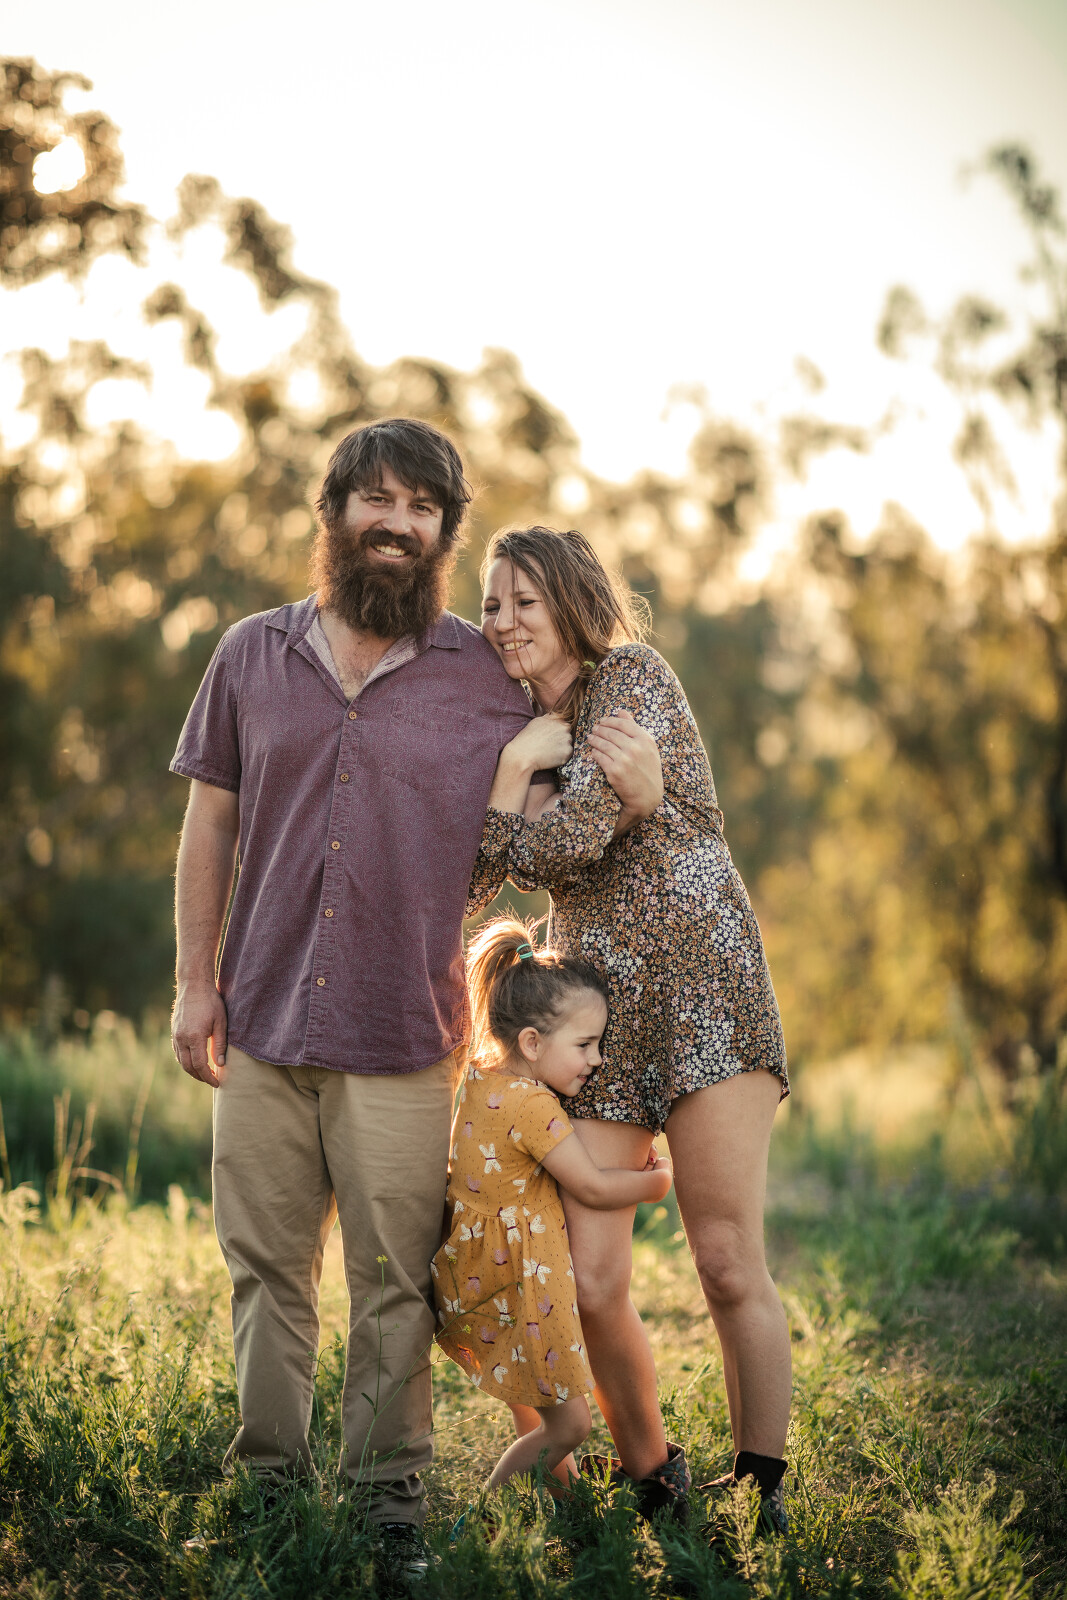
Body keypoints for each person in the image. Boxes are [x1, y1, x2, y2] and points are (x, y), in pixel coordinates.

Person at [168, 421, 661, 1558]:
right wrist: (196, 982)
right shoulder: (248, 655)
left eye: (423, 508)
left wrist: (616, 789)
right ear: (334, 512)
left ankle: (388, 1512)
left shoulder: (484, 677)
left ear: (444, 533)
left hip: (401, 1034)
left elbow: (550, 831)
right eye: (377, 499)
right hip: (261, 1020)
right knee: (266, 1276)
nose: (397, 523)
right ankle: (270, 1500)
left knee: (393, 1285)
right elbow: (210, 824)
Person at [468, 525, 792, 1534]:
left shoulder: (630, 678)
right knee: (589, 1277)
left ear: (570, 603)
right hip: (591, 1024)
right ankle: (654, 1475)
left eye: (522, 600)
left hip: (706, 995)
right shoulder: (517, 728)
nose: (501, 621)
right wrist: (514, 764)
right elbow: (475, 881)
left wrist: (528, 793)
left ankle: (763, 1489)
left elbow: (558, 844)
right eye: (489, 604)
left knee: (725, 1258)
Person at [432, 916, 672, 1511]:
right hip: (523, 1288)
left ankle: (559, 1510)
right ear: (533, 1043)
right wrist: (657, 1183)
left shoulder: (480, 1081)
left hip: (480, 1282)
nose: (596, 1060)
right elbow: (591, 1186)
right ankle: (483, 1521)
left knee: (547, 1412)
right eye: (585, 1046)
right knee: (571, 1425)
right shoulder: (533, 1106)